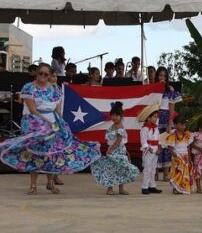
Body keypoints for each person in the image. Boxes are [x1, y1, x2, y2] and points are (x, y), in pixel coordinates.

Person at [0, 63, 101, 195]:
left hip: (52, 123)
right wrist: (48, 122)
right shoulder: (29, 88)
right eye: (40, 73)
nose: (43, 76)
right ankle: (33, 185)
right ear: (36, 73)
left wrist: (62, 123)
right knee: (34, 153)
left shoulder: (54, 89)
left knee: (52, 154)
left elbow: (58, 110)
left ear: (49, 76)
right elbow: (32, 110)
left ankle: (50, 183)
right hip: (35, 123)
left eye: (46, 74)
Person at [90, 102, 139, 195]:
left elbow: (119, 140)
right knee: (111, 169)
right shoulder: (111, 126)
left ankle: (121, 188)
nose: (114, 117)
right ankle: (110, 188)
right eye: (112, 115)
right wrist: (110, 148)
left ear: (121, 116)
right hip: (112, 149)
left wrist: (111, 149)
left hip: (118, 150)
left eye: (116, 115)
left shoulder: (120, 127)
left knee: (121, 168)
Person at [155, 66, 182, 181]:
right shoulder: (152, 89)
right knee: (155, 145)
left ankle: (166, 173)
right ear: (157, 76)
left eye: (164, 76)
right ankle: (155, 172)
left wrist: (169, 123)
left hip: (166, 119)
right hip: (154, 118)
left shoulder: (170, 91)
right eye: (160, 75)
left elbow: (172, 108)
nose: (162, 77)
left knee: (166, 145)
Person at [138, 104, 162, 194]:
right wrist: (149, 148)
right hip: (148, 150)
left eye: (157, 117)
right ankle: (144, 187)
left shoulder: (156, 128)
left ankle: (152, 186)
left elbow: (158, 139)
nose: (156, 118)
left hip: (155, 150)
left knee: (153, 169)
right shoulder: (145, 129)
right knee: (147, 168)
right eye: (154, 117)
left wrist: (159, 148)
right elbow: (143, 142)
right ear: (148, 118)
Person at [167, 115, 193, 195]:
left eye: (184, 125)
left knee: (184, 173)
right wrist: (175, 156)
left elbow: (188, 147)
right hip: (177, 157)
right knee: (177, 173)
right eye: (181, 125)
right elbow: (170, 148)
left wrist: (189, 157)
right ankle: (176, 188)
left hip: (185, 157)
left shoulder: (187, 135)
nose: (183, 127)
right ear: (175, 125)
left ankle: (183, 187)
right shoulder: (172, 136)